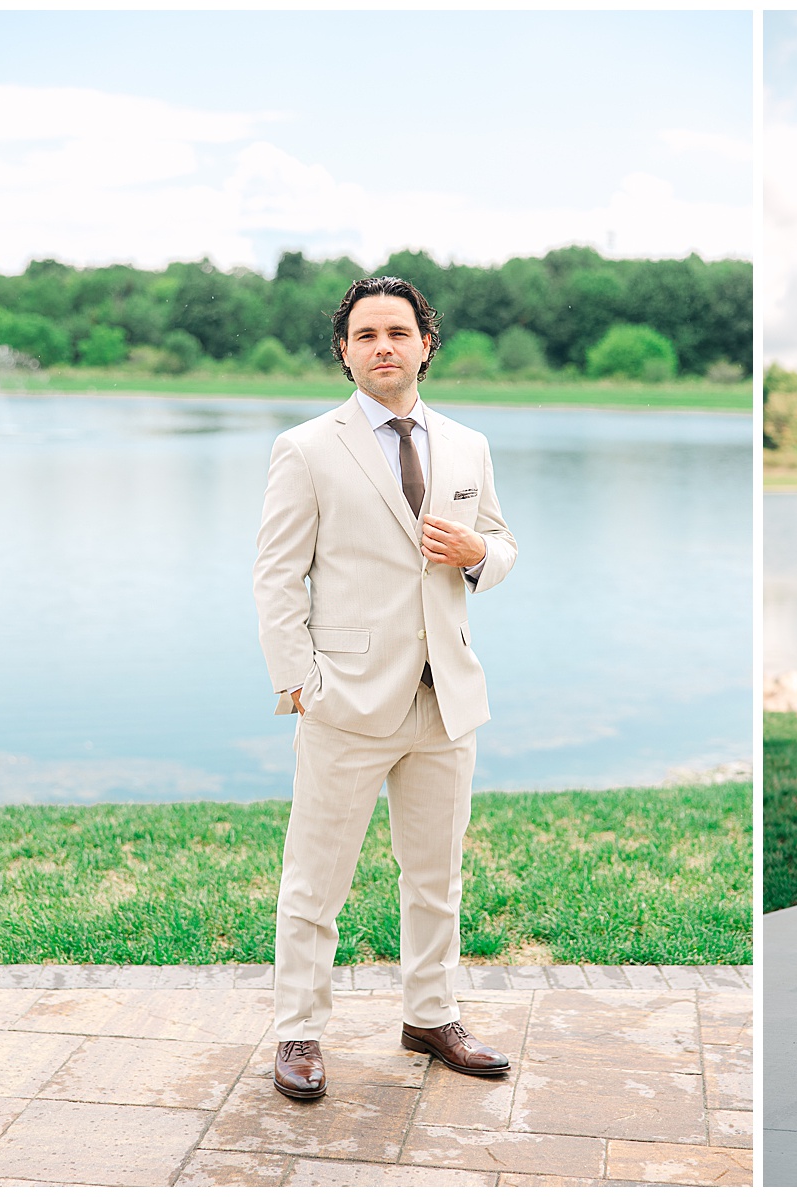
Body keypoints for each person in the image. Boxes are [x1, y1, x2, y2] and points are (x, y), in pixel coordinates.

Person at [252, 276, 519, 1101]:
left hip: (447, 698)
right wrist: (300, 682)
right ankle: (299, 1030)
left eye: (397, 332)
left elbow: (501, 545)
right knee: (315, 876)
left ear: (425, 343)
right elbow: (275, 575)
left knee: (436, 874)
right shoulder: (306, 447)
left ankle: (430, 1015)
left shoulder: (468, 444)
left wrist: (476, 550)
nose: (382, 347)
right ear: (344, 350)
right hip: (347, 701)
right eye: (364, 335)